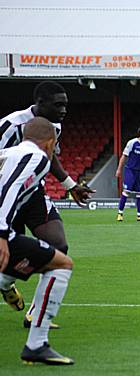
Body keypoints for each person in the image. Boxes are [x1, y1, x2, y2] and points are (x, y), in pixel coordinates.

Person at [0, 81, 93, 330]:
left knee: (59, 245)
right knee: (8, 250)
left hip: (33, 193)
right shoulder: (10, 126)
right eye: (58, 104)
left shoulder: (55, 126)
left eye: (66, 104)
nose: (64, 110)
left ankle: (34, 313)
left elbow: (50, 157)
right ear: (39, 104)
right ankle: (6, 283)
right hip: (5, 196)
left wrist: (71, 186)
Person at [0, 117, 75, 365]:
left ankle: (4, 281)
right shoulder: (37, 157)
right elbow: (9, 189)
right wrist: (2, 234)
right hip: (1, 230)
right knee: (62, 264)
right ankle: (36, 344)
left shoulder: (7, 152)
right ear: (50, 142)